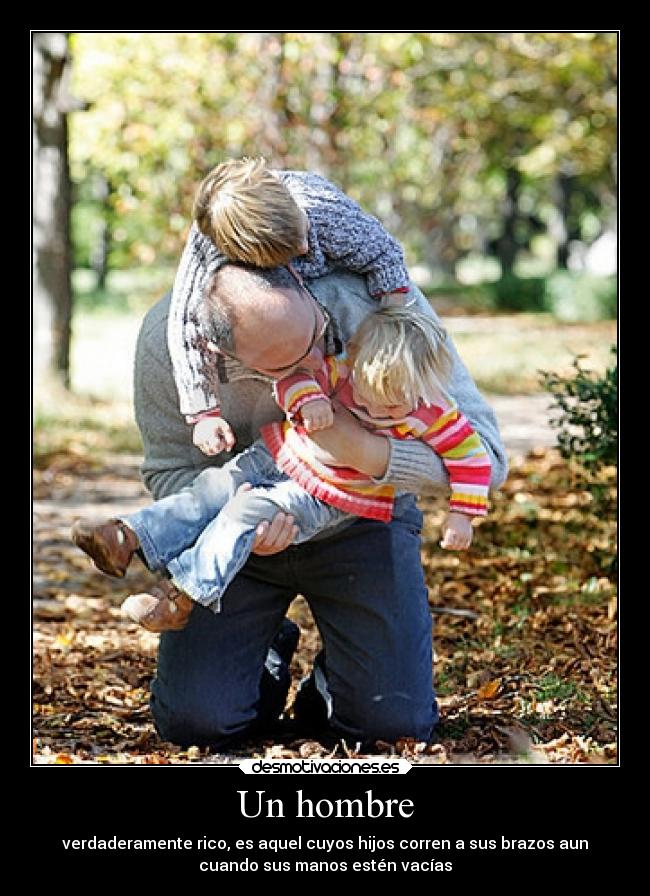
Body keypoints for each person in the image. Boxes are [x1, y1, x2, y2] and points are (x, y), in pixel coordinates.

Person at [105, 264, 507, 750]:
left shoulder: (378, 300)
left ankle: (341, 679)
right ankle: (263, 647)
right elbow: (168, 470)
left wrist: (359, 449)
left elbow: (486, 456)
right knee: (197, 724)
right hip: (236, 524)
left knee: (390, 728)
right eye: (280, 363)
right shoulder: (167, 336)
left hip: (360, 519)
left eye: (316, 337)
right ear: (218, 349)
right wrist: (236, 521)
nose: (311, 363)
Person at [71, 299, 492, 634]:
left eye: (392, 403)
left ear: (423, 388)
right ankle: (130, 535)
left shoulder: (435, 413)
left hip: (327, 494)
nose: (371, 406)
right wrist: (308, 399)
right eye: (365, 393)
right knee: (217, 486)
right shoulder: (346, 372)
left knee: (245, 511)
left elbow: (473, 459)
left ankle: (180, 597)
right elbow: (294, 377)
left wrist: (462, 514)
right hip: (277, 454)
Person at [168, 157, 414, 457]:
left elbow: (386, 256)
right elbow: (186, 324)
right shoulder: (210, 250)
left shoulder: (325, 211)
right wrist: (204, 412)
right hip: (273, 311)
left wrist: (391, 332)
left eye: (301, 233)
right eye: (289, 248)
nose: (304, 248)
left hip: (328, 306)